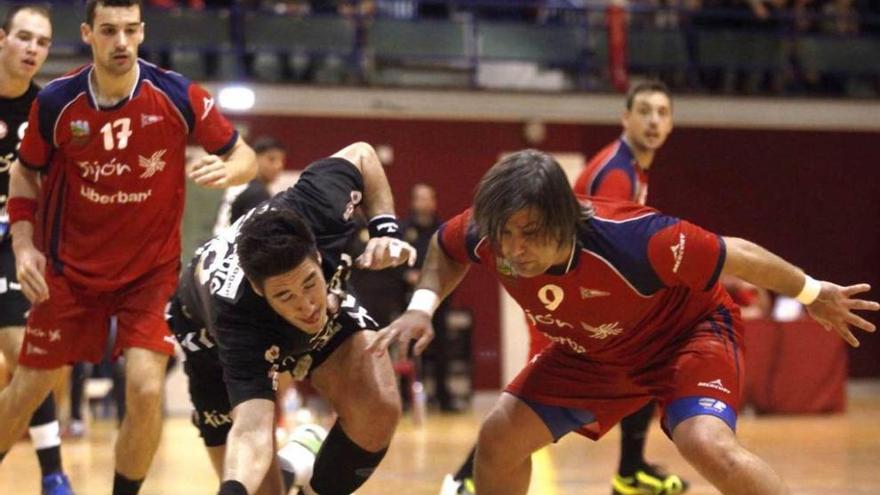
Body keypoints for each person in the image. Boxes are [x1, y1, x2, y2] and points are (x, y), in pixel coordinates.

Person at [371, 149, 877, 495]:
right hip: (595, 355)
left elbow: (737, 254)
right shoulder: (492, 233)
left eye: (529, 233)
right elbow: (443, 247)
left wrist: (812, 292)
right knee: (500, 435)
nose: (513, 249)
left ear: (564, 216)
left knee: (706, 444)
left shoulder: (638, 239)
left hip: (686, 338)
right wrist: (421, 305)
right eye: (504, 234)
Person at [0, 1, 257, 494]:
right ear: (88, 35)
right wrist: (23, 243)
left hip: (149, 275)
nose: (121, 41)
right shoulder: (57, 102)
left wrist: (234, 170)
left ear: (142, 33)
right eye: (109, 30)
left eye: (131, 30)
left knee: (143, 389)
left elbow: (241, 153)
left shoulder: (178, 94)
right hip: (71, 271)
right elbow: (25, 171)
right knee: (27, 388)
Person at [441, 80, 682, 495]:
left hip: (579, 296)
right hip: (562, 297)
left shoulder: (633, 167)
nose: (654, 121)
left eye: (662, 112)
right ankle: (464, 480)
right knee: (532, 402)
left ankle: (630, 469)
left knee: (644, 364)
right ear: (626, 118)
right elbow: (608, 248)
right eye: (644, 111)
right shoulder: (615, 174)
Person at [167, 141, 416, 495]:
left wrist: (384, 229)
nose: (306, 305)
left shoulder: (320, 205)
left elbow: (362, 153)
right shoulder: (237, 317)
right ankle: (292, 466)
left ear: (316, 254)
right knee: (254, 487)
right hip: (202, 328)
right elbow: (251, 430)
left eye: (309, 282)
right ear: (258, 289)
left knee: (378, 406)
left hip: (319, 298)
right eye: (285, 295)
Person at [0, 5, 75, 495]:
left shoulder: (42, 111)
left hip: (11, 243)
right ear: (2, 39)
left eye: (42, 42)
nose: (32, 49)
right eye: (23, 37)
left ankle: (52, 472)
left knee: (29, 356)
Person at [401, 182, 457, 411]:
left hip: (439, 300)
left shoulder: (443, 229)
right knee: (409, 346)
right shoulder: (404, 230)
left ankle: (443, 397)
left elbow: (453, 262)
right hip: (410, 301)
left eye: (428, 198)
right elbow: (396, 265)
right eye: (419, 198)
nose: (424, 203)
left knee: (441, 348)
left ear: (434, 201)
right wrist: (407, 275)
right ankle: (406, 398)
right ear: (413, 202)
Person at [213, 136, 287, 235]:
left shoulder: (237, 183)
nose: (278, 166)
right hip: (233, 247)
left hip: (217, 244)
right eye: (271, 159)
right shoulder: (258, 192)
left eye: (282, 161)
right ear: (254, 158)